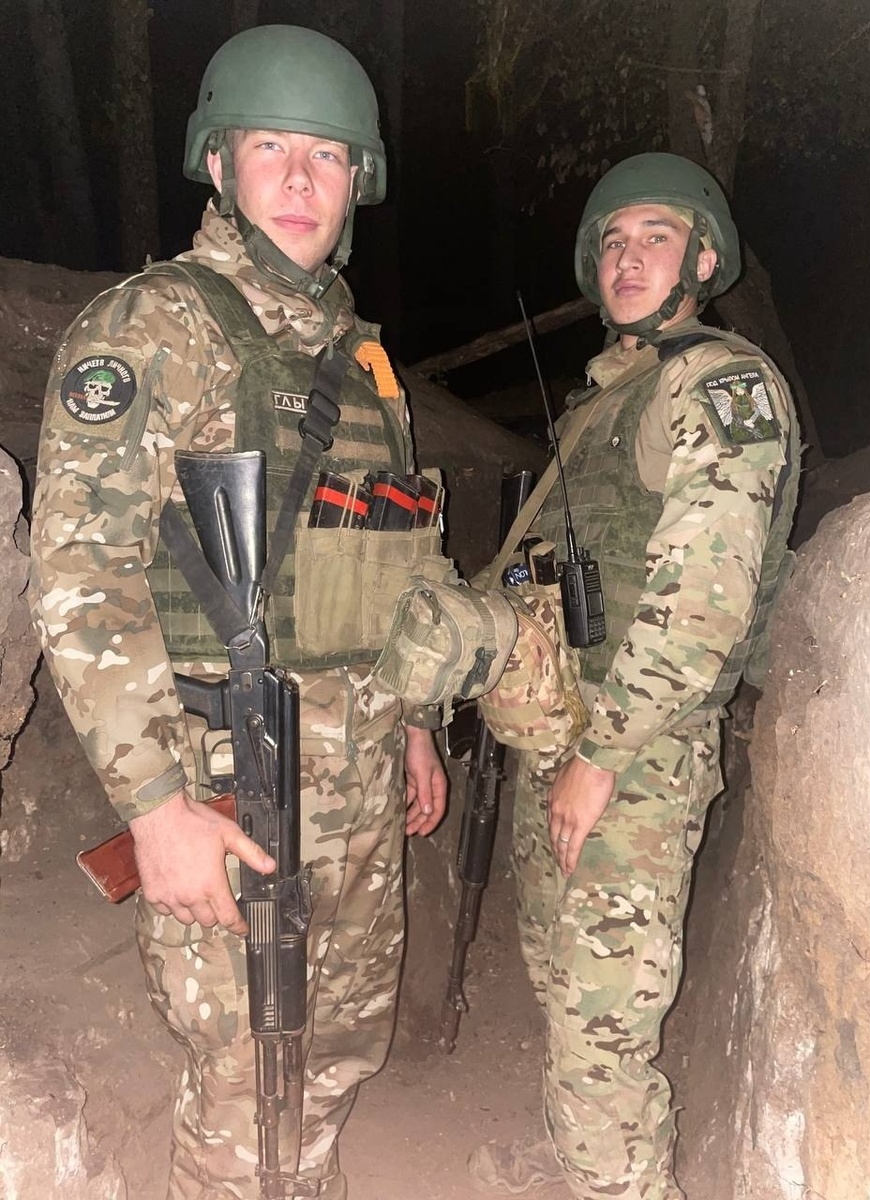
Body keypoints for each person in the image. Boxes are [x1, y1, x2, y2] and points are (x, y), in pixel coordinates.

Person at [29, 25, 452, 1200]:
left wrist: (416, 721)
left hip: (360, 784)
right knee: (239, 1084)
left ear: (359, 181)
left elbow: (398, 558)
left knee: (336, 1054)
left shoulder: (366, 361)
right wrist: (154, 807)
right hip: (232, 787)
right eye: (273, 147)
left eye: (329, 155)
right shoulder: (155, 327)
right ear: (218, 161)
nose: (303, 179)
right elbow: (81, 573)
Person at [468, 153, 800, 1199]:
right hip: (562, 732)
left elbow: (703, 595)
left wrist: (604, 754)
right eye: (612, 240)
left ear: (701, 260)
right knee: (558, 976)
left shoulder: (718, 381)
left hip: (637, 751)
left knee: (602, 1022)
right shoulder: (608, 401)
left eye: (655, 236)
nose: (627, 256)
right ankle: (584, 1163)